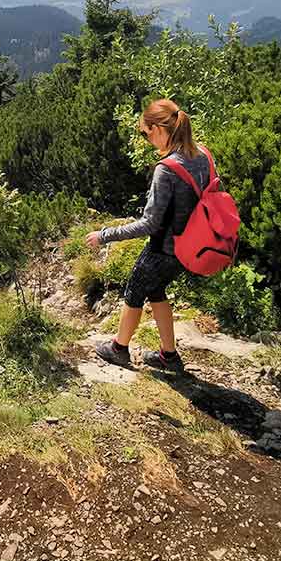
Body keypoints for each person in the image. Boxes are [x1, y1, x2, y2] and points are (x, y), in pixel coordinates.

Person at [85, 99, 209, 372]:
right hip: (192, 246)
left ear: (159, 129)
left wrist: (105, 235)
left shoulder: (167, 169)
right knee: (156, 289)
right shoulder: (203, 155)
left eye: (145, 132)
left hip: (164, 248)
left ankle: (119, 348)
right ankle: (169, 355)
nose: (146, 138)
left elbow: (150, 223)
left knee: (134, 290)